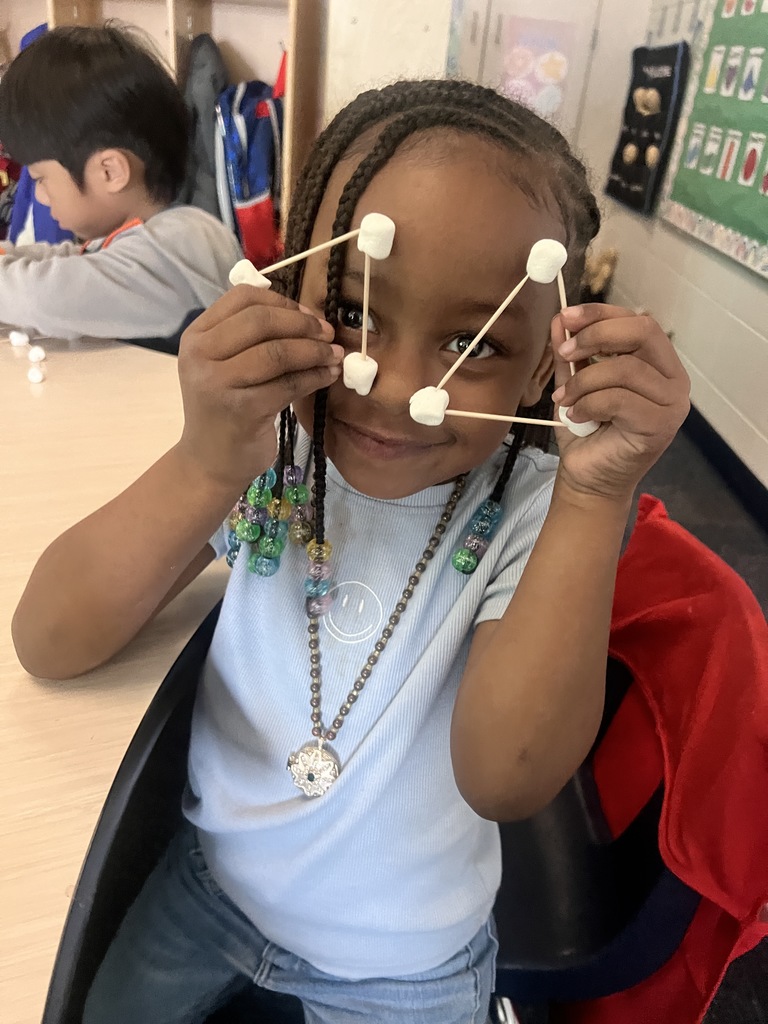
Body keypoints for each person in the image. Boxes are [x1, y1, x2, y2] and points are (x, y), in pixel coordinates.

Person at [12, 79, 690, 1023]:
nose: (404, 387)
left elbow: (508, 775)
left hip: (405, 961)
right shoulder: (267, 450)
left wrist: (595, 492)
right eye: (357, 313)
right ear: (292, 289)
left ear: (546, 363)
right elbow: (49, 637)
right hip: (211, 892)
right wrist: (204, 460)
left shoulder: (534, 509)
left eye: (472, 343)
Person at [0, 25, 241, 343]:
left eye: (42, 178)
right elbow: (78, 257)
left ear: (110, 172)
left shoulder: (168, 251)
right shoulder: (178, 229)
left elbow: (43, 296)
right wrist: (14, 256)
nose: (40, 196)